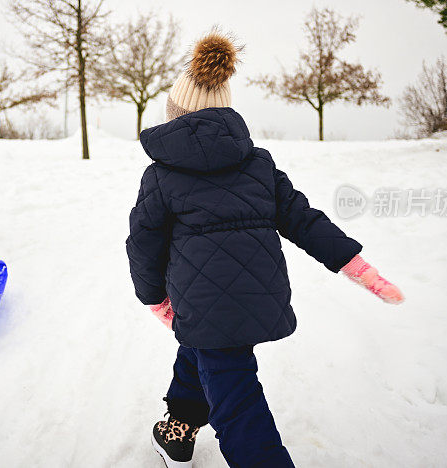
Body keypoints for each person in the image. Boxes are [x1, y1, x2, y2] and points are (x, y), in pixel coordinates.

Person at [125, 32, 404, 468]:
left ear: (176, 116)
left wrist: (154, 297)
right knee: (203, 344)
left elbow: (142, 244)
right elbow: (304, 220)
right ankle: (178, 423)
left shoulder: (162, 175)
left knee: (238, 407)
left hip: (203, 303)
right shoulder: (258, 164)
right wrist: (357, 266)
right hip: (256, 296)